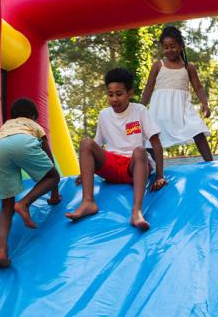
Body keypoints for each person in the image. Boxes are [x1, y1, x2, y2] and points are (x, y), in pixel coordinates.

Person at [65, 68, 166, 230]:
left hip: (133, 167)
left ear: (130, 92)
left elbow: (156, 143)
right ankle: (88, 202)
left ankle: (137, 212)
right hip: (112, 167)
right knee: (85, 143)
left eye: (119, 94)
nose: (114, 99)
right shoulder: (104, 115)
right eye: (110, 94)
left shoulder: (139, 110)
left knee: (140, 150)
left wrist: (160, 175)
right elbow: (95, 146)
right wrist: (84, 173)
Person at [0, 98, 62, 268]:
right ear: (32, 116)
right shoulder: (32, 125)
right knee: (53, 176)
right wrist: (54, 195)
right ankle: (24, 204)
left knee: (6, 206)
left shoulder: (5, 126)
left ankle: (1, 251)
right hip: (22, 142)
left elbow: (6, 144)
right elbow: (49, 157)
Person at [142, 26, 214, 162]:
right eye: (166, 47)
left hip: (182, 108)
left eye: (173, 46)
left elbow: (198, 87)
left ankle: (210, 163)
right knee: (151, 138)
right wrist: (141, 108)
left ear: (181, 46)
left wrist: (205, 104)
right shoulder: (158, 65)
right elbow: (149, 88)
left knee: (197, 128)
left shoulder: (189, 67)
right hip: (160, 109)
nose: (169, 50)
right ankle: (154, 169)